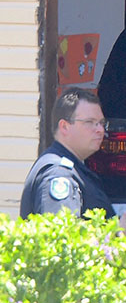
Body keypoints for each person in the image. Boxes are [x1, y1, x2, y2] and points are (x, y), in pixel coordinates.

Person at [20, 87, 115, 219]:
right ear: (65, 126)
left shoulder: (72, 169)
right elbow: (61, 235)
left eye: (101, 123)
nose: (100, 129)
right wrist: (113, 234)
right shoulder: (58, 174)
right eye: (90, 122)